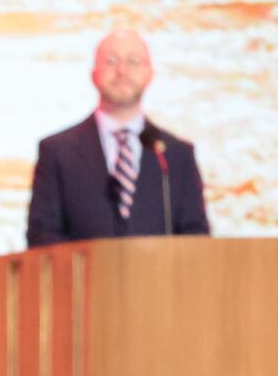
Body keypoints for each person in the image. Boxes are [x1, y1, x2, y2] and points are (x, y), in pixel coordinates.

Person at [26, 29, 210, 248]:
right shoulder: (57, 152)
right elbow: (42, 236)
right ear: (93, 73)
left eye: (133, 61)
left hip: (158, 281)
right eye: (111, 61)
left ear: (150, 74)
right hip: (83, 280)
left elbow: (196, 239)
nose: (122, 71)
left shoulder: (175, 155)